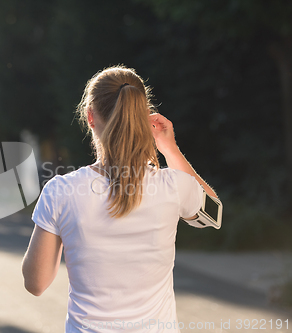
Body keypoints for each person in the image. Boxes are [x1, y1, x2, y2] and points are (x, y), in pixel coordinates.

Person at [21, 65, 218, 333]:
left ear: (90, 117)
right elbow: (212, 216)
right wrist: (170, 148)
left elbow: (36, 284)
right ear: (142, 118)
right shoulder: (172, 186)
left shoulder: (61, 191)